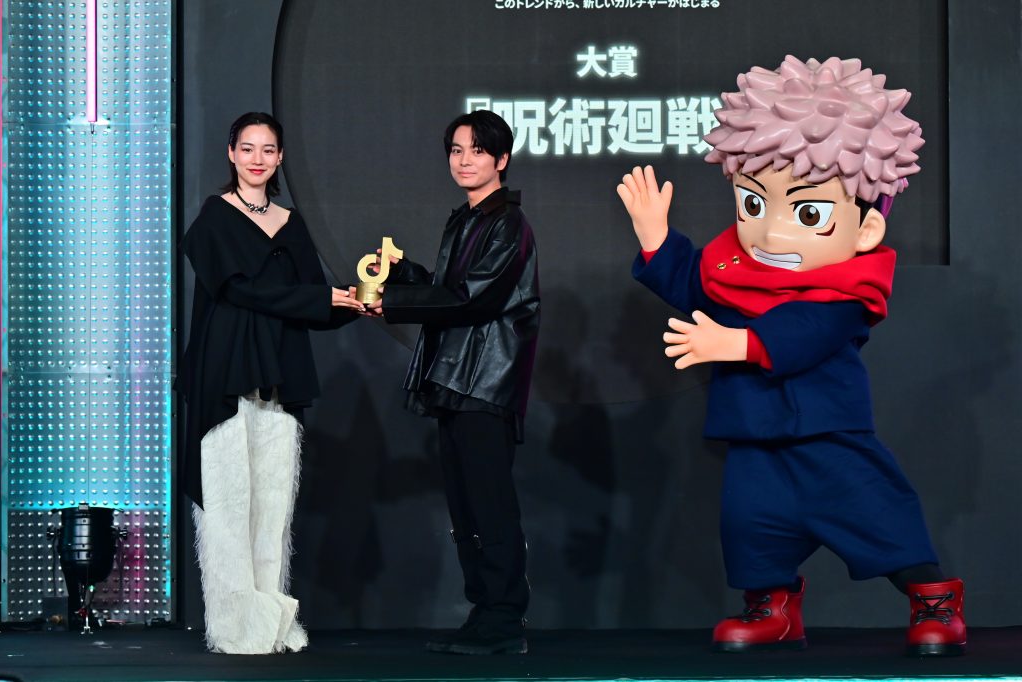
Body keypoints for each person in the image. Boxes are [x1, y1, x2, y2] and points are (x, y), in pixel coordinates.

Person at [617, 56, 966, 656]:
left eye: (807, 213)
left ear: (866, 230)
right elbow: (695, 284)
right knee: (751, 525)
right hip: (753, 430)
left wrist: (735, 343)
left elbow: (806, 331)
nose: (771, 233)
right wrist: (656, 237)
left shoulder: (849, 291)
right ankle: (772, 607)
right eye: (754, 205)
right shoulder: (735, 268)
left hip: (826, 432)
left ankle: (934, 600)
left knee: (876, 514)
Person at [178, 111, 364, 654]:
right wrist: (321, 298)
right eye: (247, 148)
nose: (257, 159)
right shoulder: (214, 218)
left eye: (267, 150)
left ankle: (271, 619)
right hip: (225, 374)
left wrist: (358, 300)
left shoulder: (291, 223)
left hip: (280, 376)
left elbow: (310, 303)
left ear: (280, 158)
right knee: (228, 503)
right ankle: (234, 625)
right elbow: (242, 290)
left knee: (273, 505)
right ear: (231, 153)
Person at [363, 110, 540, 655]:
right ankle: (485, 614)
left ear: (501, 159)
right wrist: (403, 274)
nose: (464, 161)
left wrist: (393, 301)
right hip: (457, 381)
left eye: (477, 150)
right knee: (466, 508)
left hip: (485, 383)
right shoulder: (466, 219)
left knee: (489, 505)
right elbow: (451, 288)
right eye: (457, 150)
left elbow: (473, 299)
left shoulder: (508, 224)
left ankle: (504, 620)